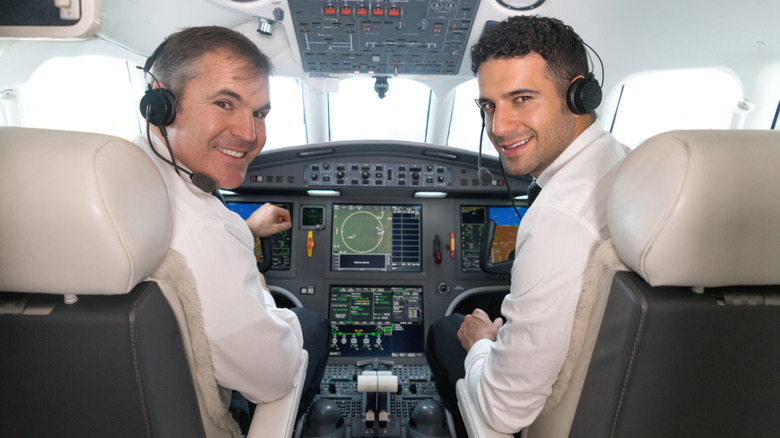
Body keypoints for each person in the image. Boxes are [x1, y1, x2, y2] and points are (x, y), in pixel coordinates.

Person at [425, 15, 630, 436]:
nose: (498, 127)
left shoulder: (559, 217)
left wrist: (482, 343)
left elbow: (504, 412)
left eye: (522, 98)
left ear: (580, 96)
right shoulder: (623, 161)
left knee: (448, 329)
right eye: (488, 105)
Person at [133, 26, 329, 432]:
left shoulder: (129, 172)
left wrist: (245, 231)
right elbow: (272, 376)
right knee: (310, 324)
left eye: (259, 113)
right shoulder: (206, 229)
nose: (250, 134)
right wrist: (260, 288)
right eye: (225, 103)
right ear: (160, 103)